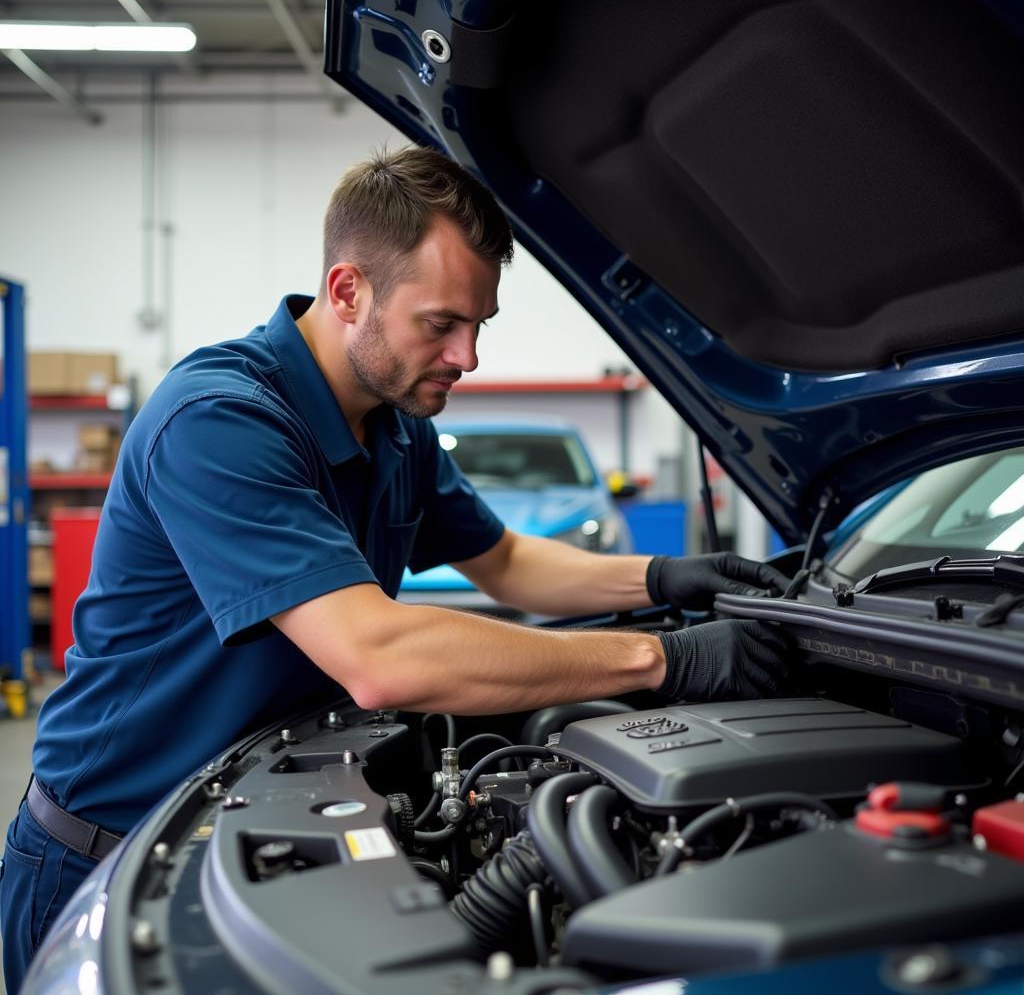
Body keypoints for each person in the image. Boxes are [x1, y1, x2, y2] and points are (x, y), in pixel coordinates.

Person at [0, 146, 789, 990]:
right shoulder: (219, 421)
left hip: (262, 816)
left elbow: (510, 562)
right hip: (112, 861)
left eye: (479, 325)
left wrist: (667, 579)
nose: (468, 357)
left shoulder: (395, 424)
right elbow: (378, 658)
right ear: (348, 292)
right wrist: (663, 660)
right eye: (441, 324)